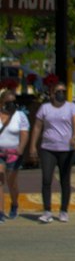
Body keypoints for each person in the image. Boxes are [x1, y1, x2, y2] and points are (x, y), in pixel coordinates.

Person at [28, 83, 75, 223]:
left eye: (63, 91)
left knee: (65, 179)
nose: (61, 93)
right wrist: (33, 146)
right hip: (48, 148)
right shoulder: (45, 108)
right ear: (52, 93)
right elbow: (37, 127)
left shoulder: (71, 107)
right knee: (46, 179)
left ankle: (64, 210)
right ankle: (47, 211)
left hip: (66, 149)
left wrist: (74, 136)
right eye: (58, 91)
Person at [0, 89, 29, 220]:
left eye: (13, 102)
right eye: (8, 102)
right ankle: (0, 211)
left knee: (12, 184)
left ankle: (14, 204)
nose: (11, 104)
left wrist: (21, 148)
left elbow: (24, 134)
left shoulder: (20, 116)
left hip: (14, 154)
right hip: (0, 152)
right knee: (0, 181)